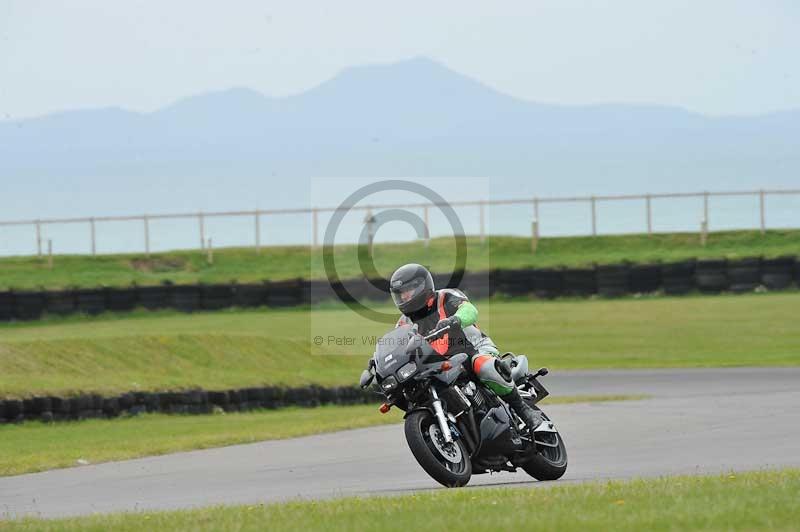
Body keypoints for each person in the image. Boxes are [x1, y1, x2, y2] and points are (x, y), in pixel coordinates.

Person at [389, 263, 543, 430]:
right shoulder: (403, 323)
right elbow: (401, 347)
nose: (404, 297)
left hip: (474, 349)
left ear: (421, 286)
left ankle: (524, 411)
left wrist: (455, 319)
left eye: (407, 291)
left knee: (483, 366)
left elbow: (470, 310)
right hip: (442, 365)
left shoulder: (446, 297)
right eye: (400, 294)